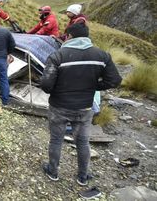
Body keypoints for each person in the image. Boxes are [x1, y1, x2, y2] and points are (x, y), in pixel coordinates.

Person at [40, 23, 122, 186]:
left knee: (56, 140)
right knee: (83, 142)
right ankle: (82, 177)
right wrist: (93, 86)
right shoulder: (102, 56)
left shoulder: (58, 56)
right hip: (84, 107)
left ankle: (53, 171)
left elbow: (46, 85)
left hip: (59, 107)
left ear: (69, 36)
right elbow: (114, 80)